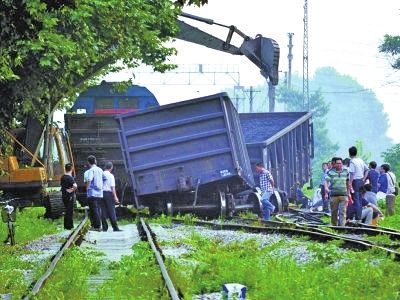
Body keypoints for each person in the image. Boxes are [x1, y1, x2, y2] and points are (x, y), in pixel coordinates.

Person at [325, 157, 350, 226]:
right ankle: (334, 226)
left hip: (344, 195)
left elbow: (348, 182)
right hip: (334, 195)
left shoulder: (346, 171)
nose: (339, 165)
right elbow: (326, 181)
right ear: (335, 164)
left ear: (342, 164)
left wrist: (348, 192)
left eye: (340, 163)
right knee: (334, 212)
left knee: (343, 212)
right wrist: (326, 188)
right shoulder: (331, 172)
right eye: (337, 163)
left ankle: (342, 226)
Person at [84, 155, 105, 231]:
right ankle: (99, 225)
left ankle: (97, 226)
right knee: (98, 209)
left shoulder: (91, 170)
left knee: (94, 210)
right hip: (100, 193)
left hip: (92, 193)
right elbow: (104, 179)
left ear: (88, 162)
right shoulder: (100, 169)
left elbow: (89, 179)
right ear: (95, 161)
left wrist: (87, 188)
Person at [348, 146, 368, 221]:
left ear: (349, 153)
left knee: (356, 199)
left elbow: (352, 173)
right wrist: (364, 178)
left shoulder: (352, 161)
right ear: (356, 152)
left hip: (355, 181)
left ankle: (357, 217)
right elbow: (367, 170)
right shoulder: (360, 160)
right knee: (360, 199)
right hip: (361, 181)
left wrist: (350, 183)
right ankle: (358, 216)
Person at [101, 162, 122, 232]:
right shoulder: (111, 176)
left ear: (105, 167)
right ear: (111, 168)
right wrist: (115, 197)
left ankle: (104, 227)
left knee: (103, 211)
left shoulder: (101, 174)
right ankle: (115, 228)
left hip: (101, 194)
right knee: (111, 210)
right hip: (108, 194)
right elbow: (112, 187)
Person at [60, 163, 77, 230]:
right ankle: (69, 226)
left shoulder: (63, 177)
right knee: (70, 211)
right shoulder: (70, 178)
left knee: (67, 210)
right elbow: (75, 186)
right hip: (70, 196)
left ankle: (66, 225)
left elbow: (63, 186)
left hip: (64, 195)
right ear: (71, 169)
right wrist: (72, 189)